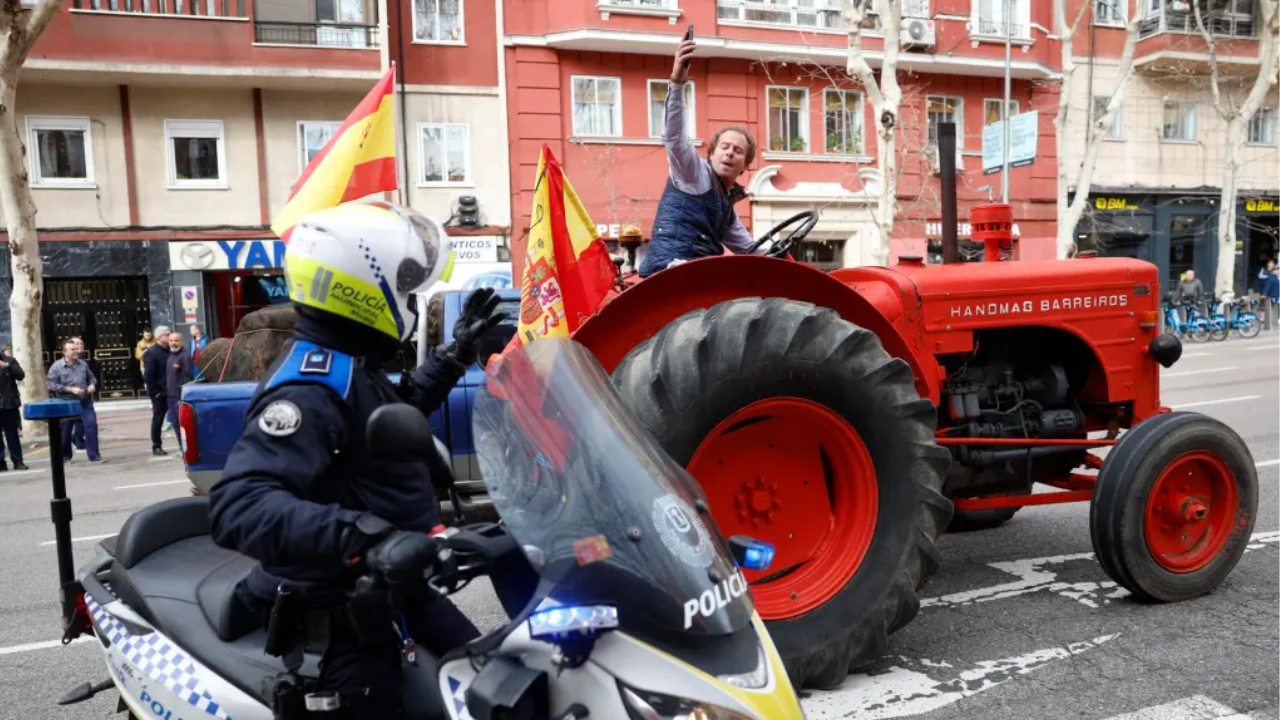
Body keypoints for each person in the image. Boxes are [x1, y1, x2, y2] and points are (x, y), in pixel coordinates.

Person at [209, 202, 504, 717]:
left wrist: (454, 357)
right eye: (407, 289)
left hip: (399, 588)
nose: (412, 301)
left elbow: (390, 413)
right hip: (342, 622)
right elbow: (239, 505)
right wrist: (368, 537)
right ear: (364, 288)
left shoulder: (348, 365)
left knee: (497, 689)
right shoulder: (308, 389)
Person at [638, 35, 769, 277]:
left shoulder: (725, 208)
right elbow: (674, 137)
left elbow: (752, 249)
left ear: (744, 167)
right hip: (672, 269)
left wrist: (786, 257)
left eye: (738, 151)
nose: (730, 152)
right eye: (725, 147)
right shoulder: (693, 173)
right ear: (712, 153)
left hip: (699, 272)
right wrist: (677, 84)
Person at [46, 339, 103, 463]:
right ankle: (65, 456)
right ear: (64, 352)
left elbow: (92, 378)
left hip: (84, 401)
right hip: (66, 402)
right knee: (65, 430)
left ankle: (94, 455)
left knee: (91, 425)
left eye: (76, 349)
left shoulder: (83, 364)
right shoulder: (56, 367)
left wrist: (92, 385)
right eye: (72, 349)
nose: (76, 351)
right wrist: (70, 389)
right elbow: (50, 384)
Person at [143, 326, 172, 456]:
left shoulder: (171, 351)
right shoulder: (151, 353)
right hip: (160, 393)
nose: (170, 337)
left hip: (173, 391)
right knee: (158, 419)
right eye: (168, 335)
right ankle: (156, 445)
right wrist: (156, 392)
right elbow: (148, 376)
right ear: (160, 337)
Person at [165, 331, 194, 452]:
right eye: (171, 340)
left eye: (176, 340)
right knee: (176, 424)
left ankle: (186, 449)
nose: (173, 343)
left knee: (183, 425)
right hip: (170, 395)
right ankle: (181, 448)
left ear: (181, 342)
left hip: (179, 396)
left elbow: (188, 377)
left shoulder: (185, 356)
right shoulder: (171, 355)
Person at [0, 346, 27, 471]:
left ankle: (18, 461)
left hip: (8, 404)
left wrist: (6, 365)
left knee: (12, 434)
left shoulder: (10, 360)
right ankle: (1, 463)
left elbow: (20, 375)